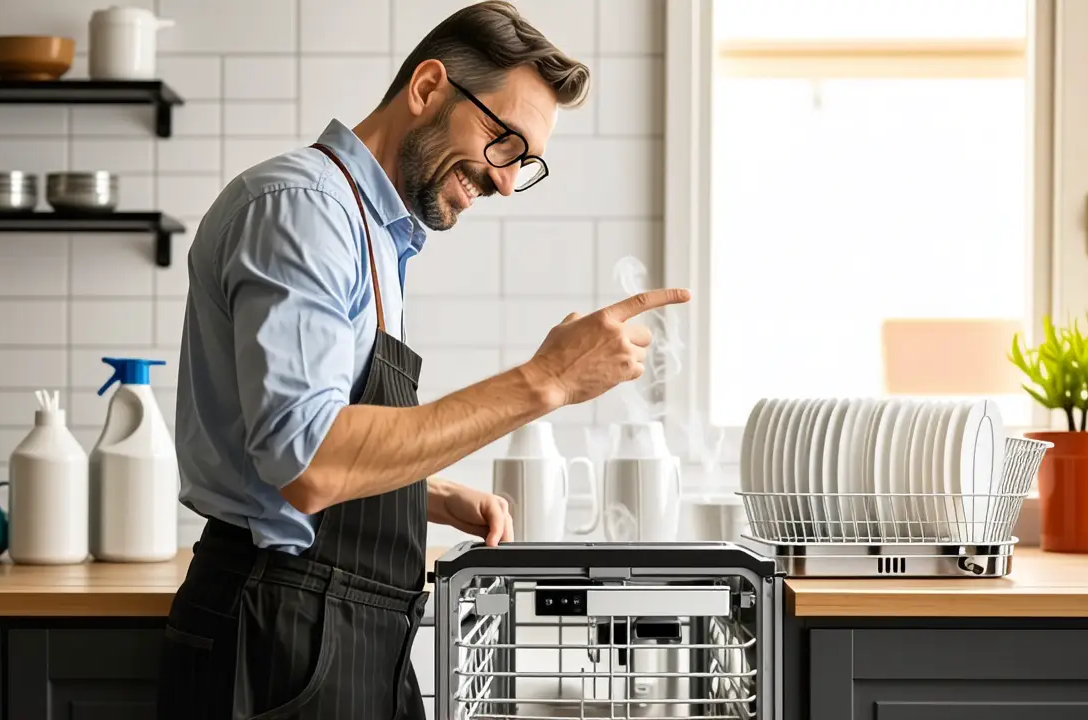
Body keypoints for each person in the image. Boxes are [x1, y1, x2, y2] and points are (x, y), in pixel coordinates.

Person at [155, 1, 688, 718]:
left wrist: (426, 495)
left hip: (344, 629)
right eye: (504, 141)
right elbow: (309, 464)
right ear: (428, 88)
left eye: (525, 162)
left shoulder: (376, 233)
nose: (506, 180)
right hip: (276, 629)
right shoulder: (302, 208)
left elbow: (318, 430)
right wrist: (548, 380)